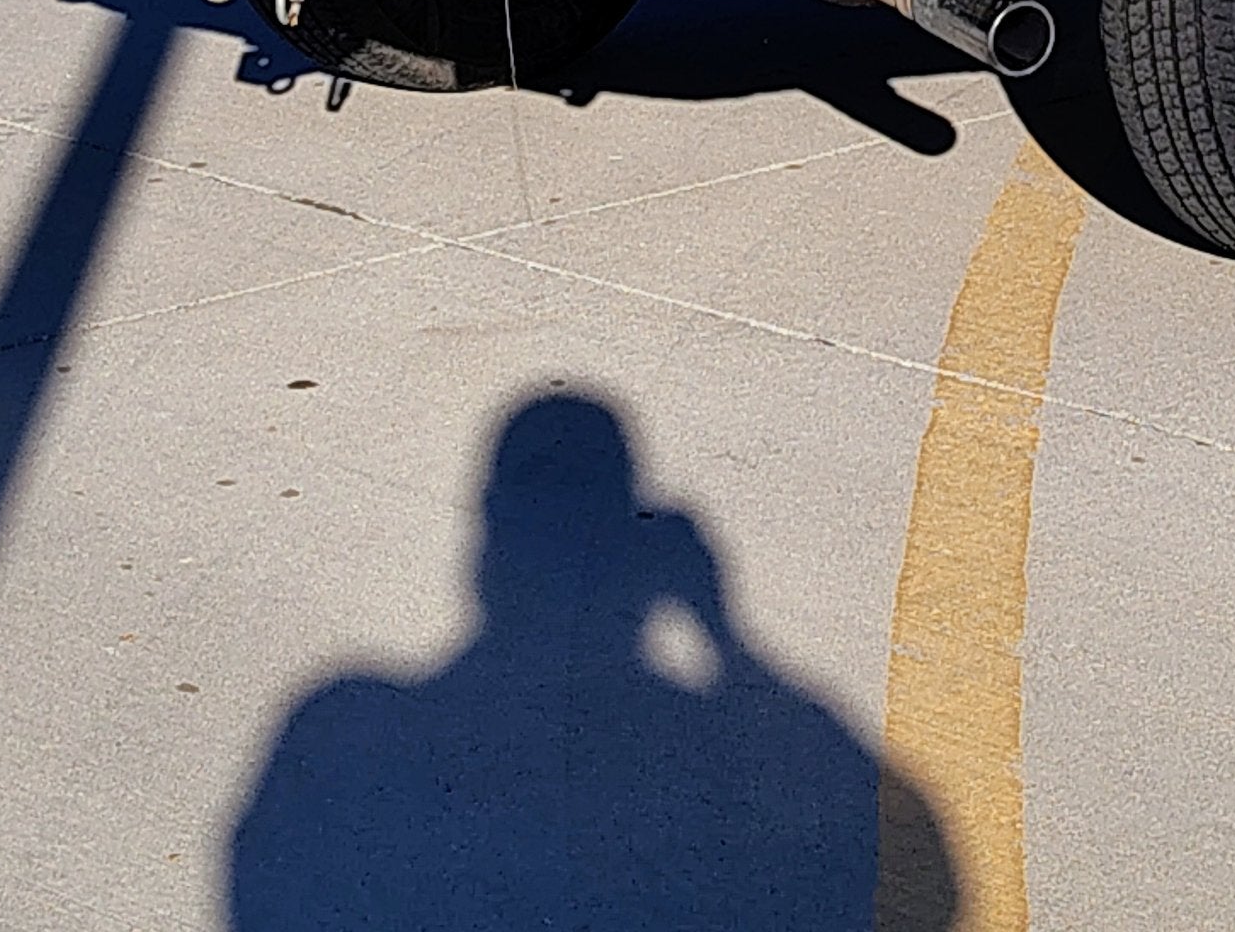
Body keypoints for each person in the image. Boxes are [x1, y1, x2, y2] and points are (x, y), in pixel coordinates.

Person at [224, 393, 951, 929]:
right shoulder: (703, 752)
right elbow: (915, 875)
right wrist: (729, 642)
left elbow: (259, 889)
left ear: (488, 546)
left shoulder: (340, 726)